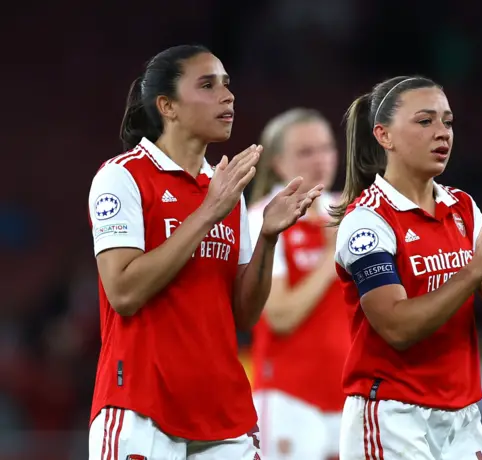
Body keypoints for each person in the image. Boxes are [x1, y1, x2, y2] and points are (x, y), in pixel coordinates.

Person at [87, 44, 323, 460]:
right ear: (168, 106)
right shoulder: (123, 177)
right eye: (208, 85)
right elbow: (123, 292)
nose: (228, 95)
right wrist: (208, 212)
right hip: (141, 410)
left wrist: (267, 237)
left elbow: (244, 315)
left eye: (228, 85)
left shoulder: (225, 190)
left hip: (222, 414)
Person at [330, 76, 482, 460]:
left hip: (462, 418)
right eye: (425, 122)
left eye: (448, 122)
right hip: (391, 417)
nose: (442, 133)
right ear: (384, 136)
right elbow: (397, 327)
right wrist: (472, 271)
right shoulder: (367, 222)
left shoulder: (462, 208)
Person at [247, 108, 349, 460]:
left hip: (350, 399)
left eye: (326, 148)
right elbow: (280, 316)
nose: (320, 160)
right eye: (306, 152)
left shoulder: (350, 214)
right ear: (278, 163)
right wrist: (329, 259)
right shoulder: (261, 219)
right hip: (288, 398)